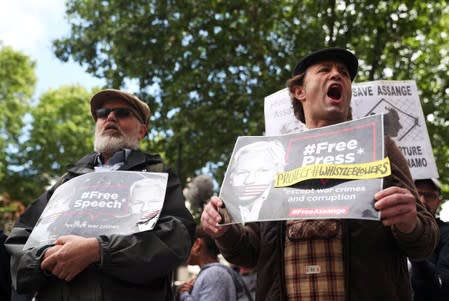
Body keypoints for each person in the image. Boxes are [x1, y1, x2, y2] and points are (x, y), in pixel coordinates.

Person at [201, 48, 439, 300]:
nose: (337, 75)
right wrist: (223, 229)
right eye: (325, 70)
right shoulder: (271, 158)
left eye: (344, 73)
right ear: (299, 91)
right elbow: (248, 253)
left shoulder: (380, 146)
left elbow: (425, 242)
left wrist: (409, 222)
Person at [5, 89, 196, 300]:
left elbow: (176, 238)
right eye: (103, 113)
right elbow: (20, 241)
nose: (110, 117)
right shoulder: (67, 182)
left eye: (122, 113)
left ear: (142, 131)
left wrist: (99, 251)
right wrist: (48, 259)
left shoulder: (157, 176)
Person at [223, 140, 286, 223]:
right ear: (231, 176)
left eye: (262, 171)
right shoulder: (222, 209)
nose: (249, 180)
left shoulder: (287, 205)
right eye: (242, 172)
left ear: (276, 174)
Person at [410, 178, 449, 301]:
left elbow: (442, 287)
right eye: (416, 194)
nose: (422, 201)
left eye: (430, 196)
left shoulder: (446, 233)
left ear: (438, 202)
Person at [177, 225, 237, 301]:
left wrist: (184, 294)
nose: (185, 249)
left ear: (197, 244)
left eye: (188, 243)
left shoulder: (215, 274)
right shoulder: (213, 273)